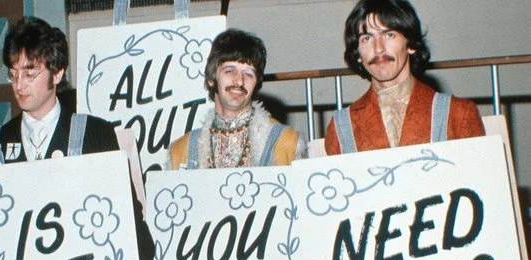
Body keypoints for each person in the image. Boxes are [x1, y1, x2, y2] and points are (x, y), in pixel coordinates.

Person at [0, 17, 154, 260]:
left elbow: (126, 210)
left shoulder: (96, 133)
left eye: (29, 74)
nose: (19, 85)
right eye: (13, 74)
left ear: (57, 73)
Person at [324, 0, 484, 154]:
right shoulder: (341, 127)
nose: (378, 49)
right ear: (358, 54)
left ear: (411, 45)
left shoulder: (458, 114)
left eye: (389, 35)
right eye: (367, 38)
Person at [170, 29, 305, 170]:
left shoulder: (288, 143)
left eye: (248, 74)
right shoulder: (181, 151)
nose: (240, 81)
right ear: (211, 79)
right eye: (230, 71)